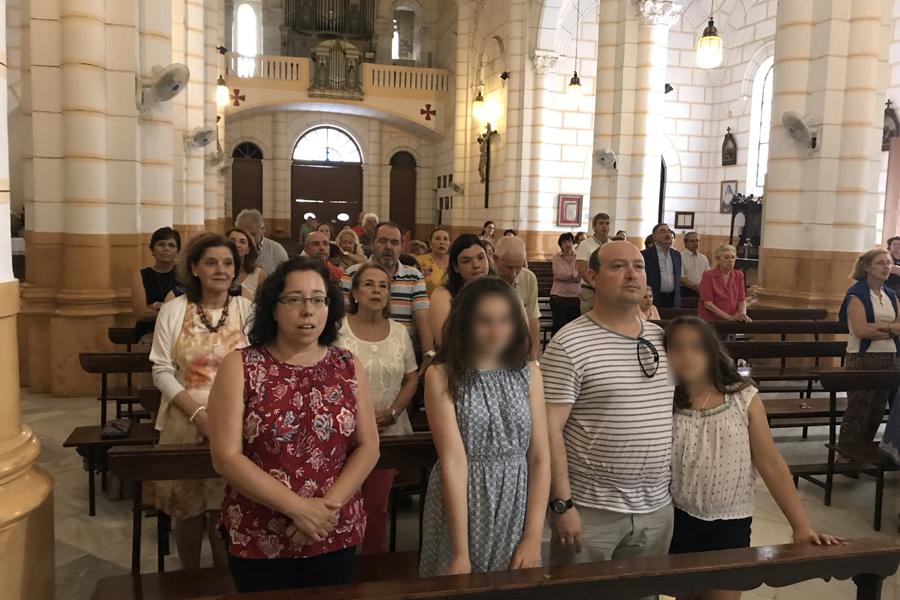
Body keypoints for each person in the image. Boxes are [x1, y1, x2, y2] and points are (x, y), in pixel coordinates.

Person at [207, 258, 379, 593]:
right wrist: (298, 509)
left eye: (318, 299)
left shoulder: (346, 365)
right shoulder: (241, 366)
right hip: (260, 530)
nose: (308, 310)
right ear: (273, 308)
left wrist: (323, 511)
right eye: (295, 299)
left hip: (333, 527)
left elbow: (368, 446)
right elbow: (226, 457)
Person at [665, 317, 840, 600]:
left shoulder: (742, 398)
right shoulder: (665, 401)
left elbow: (771, 463)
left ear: (712, 352)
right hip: (678, 519)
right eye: (677, 347)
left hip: (730, 524)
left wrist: (801, 526)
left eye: (696, 347)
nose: (686, 356)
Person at [542, 241, 675, 574]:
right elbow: (548, 429)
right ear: (592, 277)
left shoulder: (662, 339)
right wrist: (562, 505)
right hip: (591, 511)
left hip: (656, 508)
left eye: (638, 266)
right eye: (618, 267)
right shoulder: (569, 343)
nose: (631, 274)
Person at [419, 277, 550, 576]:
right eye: (484, 321)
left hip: (515, 502)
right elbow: (453, 461)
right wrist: (460, 552)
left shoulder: (529, 373)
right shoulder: (441, 374)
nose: (496, 331)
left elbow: (540, 458)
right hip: (462, 501)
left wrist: (532, 538)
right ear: (464, 322)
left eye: (504, 320)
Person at [150, 233, 253, 570]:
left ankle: (226, 581)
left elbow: (260, 366)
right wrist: (197, 414)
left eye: (227, 263)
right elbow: (162, 370)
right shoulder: (174, 310)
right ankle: (190, 579)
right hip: (184, 418)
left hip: (237, 422)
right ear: (194, 268)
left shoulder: (248, 310)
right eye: (210, 262)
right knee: (188, 508)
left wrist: (228, 416)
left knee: (227, 508)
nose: (220, 270)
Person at [336, 264, 418, 554]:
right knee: (341, 503)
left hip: (388, 429)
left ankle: (372, 569)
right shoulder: (337, 330)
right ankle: (339, 564)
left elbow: (411, 376)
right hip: (345, 434)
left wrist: (395, 411)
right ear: (355, 292)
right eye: (369, 285)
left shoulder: (399, 332)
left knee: (376, 506)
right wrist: (358, 417)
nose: (377, 291)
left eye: (383, 286)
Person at [341, 222, 434, 360]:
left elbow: (423, 320)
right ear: (372, 243)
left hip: (402, 354)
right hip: (358, 353)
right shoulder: (352, 274)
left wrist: (429, 355)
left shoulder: (413, 276)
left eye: (395, 242)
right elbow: (343, 318)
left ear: (402, 247)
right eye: (383, 241)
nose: (388, 247)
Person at [837, 248, 900, 447]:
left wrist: (884, 327)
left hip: (888, 357)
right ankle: (846, 453)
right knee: (859, 409)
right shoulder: (857, 293)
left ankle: (863, 449)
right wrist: (891, 330)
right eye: (880, 263)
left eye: (888, 263)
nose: (886, 267)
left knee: (877, 409)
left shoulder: (890, 294)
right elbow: (861, 330)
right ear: (866, 267)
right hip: (863, 357)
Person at [430, 234, 490, 349]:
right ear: (456, 267)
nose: (476, 265)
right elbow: (444, 341)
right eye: (466, 261)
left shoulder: (500, 292)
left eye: (481, 258)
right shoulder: (443, 295)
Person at [131, 227, 181, 344]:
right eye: (161, 244)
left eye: (171, 245)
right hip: (150, 332)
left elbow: (191, 309)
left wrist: (157, 306)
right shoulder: (141, 276)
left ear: (178, 251)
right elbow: (141, 313)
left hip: (180, 333)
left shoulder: (186, 275)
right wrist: (175, 313)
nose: (166, 248)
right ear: (152, 250)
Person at [494, 236, 540, 361]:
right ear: (495, 259)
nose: (514, 273)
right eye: (508, 267)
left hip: (518, 348)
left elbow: (532, 319)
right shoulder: (484, 278)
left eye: (518, 267)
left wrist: (534, 359)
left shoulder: (529, 278)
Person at [698, 244, 749, 322]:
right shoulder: (708, 275)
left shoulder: (739, 275)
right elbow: (708, 304)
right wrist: (728, 317)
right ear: (718, 260)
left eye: (733, 257)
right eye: (726, 257)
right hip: (711, 320)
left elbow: (741, 300)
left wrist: (742, 315)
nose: (730, 260)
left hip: (732, 320)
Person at [575, 213, 611, 314]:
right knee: (589, 321)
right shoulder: (585, 244)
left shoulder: (612, 245)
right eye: (601, 223)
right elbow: (581, 267)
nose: (605, 226)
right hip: (589, 289)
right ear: (594, 227)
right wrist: (594, 283)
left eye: (607, 223)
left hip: (608, 290)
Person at [235, 209, 289, 275]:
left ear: (262, 229)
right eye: (244, 234)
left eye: (253, 234)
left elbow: (287, 277)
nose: (249, 239)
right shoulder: (231, 248)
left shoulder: (277, 250)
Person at [642, 223, 682, 309]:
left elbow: (677, 278)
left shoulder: (676, 254)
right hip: (654, 298)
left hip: (673, 299)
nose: (667, 234)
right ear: (654, 236)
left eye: (669, 231)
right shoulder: (645, 255)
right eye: (663, 231)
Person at [550, 233, 581, 335]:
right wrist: (573, 275)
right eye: (564, 242)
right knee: (559, 326)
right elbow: (559, 274)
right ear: (561, 245)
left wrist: (570, 276)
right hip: (558, 297)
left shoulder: (578, 257)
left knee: (573, 328)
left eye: (570, 241)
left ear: (573, 243)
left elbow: (580, 275)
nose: (567, 244)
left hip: (575, 297)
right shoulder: (556, 257)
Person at [226, 227, 266, 300]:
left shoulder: (259, 274)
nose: (237, 245)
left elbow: (263, 304)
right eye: (232, 240)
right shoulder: (219, 271)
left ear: (248, 249)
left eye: (242, 242)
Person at [417, 227, 451, 297]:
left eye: (445, 239)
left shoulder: (454, 262)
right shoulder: (419, 261)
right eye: (437, 238)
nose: (442, 242)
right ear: (430, 243)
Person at [680, 231, 709, 297]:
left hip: (702, 290)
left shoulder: (703, 258)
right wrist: (696, 288)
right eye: (692, 241)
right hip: (686, 290)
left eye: (697, 241)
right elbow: (681, 277)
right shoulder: (680, 256)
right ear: (685, 243)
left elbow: (708, 276)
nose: (696, 243)